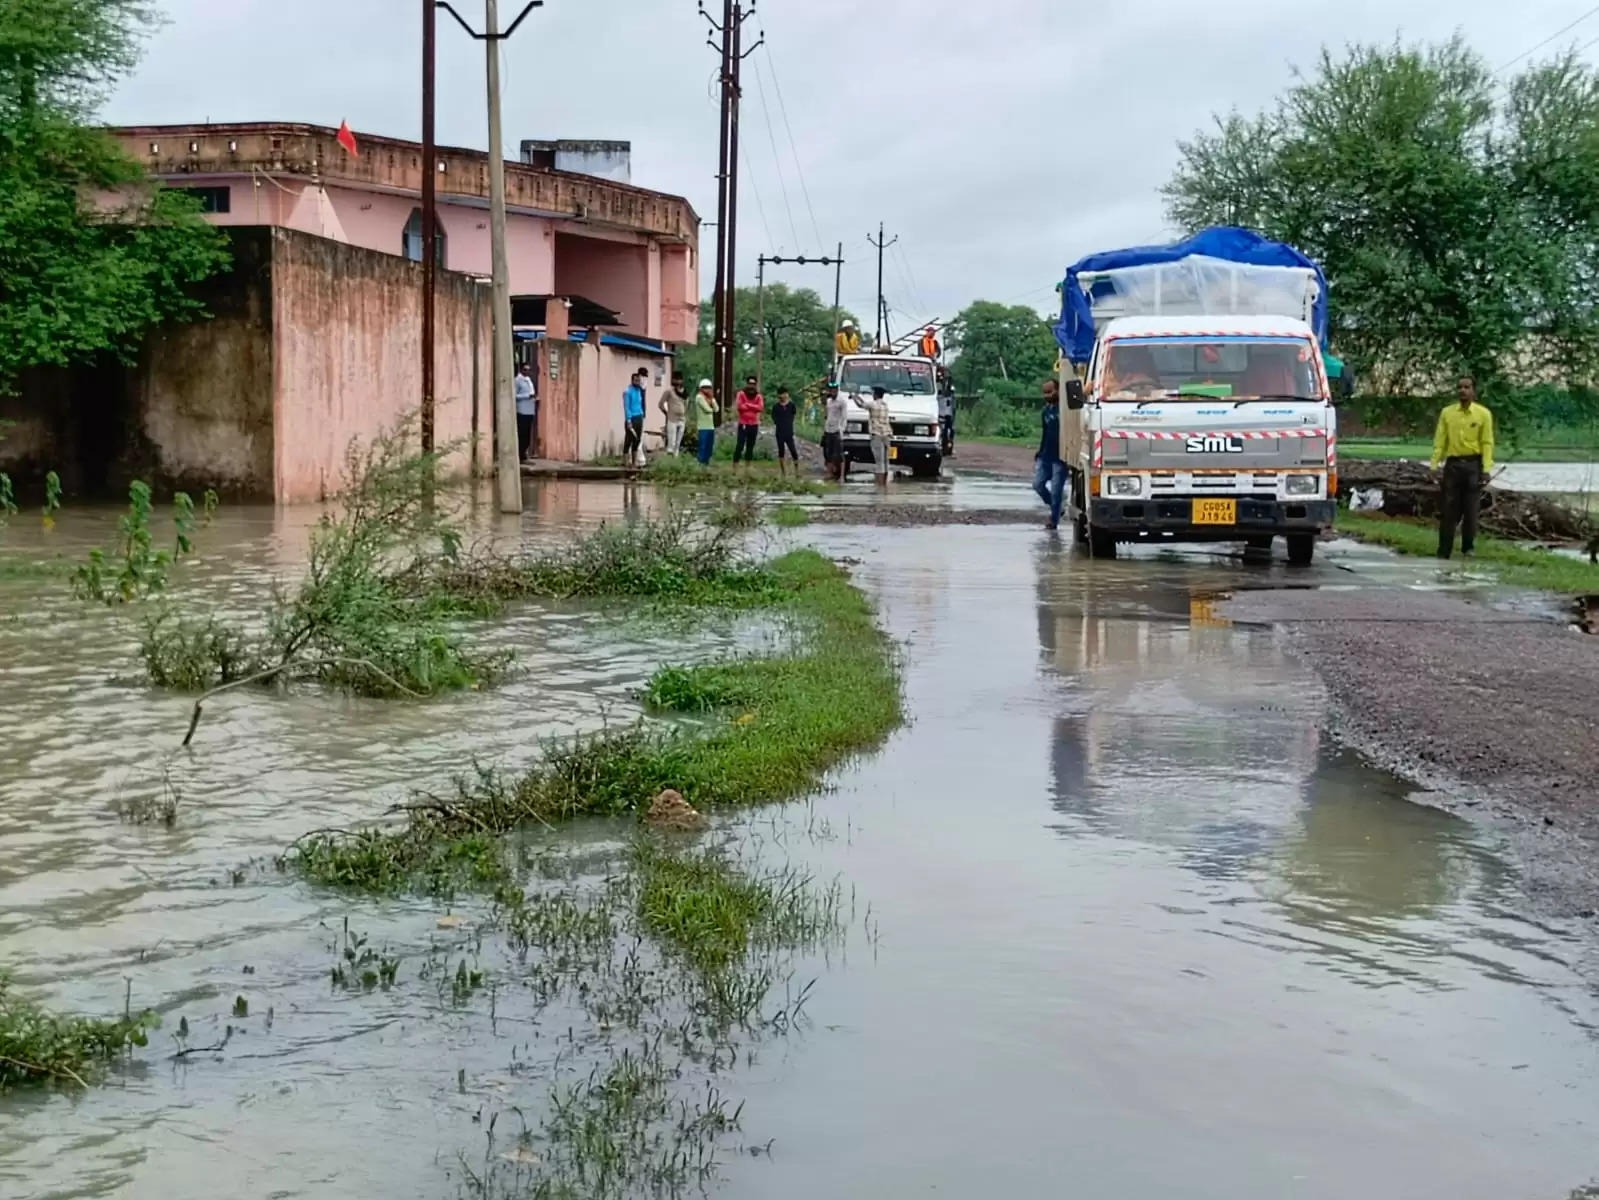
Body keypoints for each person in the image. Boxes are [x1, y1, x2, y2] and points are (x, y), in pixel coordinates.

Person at [1431, 375, 1495, 559]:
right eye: (1459, 387)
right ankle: (1444, 550)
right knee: (1449, 509)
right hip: (1453, 465)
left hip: (1474, 465)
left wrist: (1486, 468)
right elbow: (1440, 441)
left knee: (1471, 509)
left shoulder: (1483, 414)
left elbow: (1487, 442)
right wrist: (1434, 465)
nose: (1462, 391)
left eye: (1467, 387)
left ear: (1473, 391)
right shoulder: (1447, 413)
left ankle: (1468, 547)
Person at [1034, 380, 1067, 530]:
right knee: (1038, 485)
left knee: (1056, 491)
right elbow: (1045, 433)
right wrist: (1040, 451)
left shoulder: (1065, 411)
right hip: (1046, 455)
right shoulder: (1045, 411)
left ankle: (1053, 521)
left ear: (1058, 390)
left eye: (1050, 391)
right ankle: (1057, 508)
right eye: (1045, 392)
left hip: (1060, 458)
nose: (1047, 395)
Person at [865, 384, 893, 488]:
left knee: (879, 461)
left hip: (877, 434)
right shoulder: (885, 406)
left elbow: (861, 405)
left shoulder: (873, 405)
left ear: (875, 394)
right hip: (887, 434)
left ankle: (880, 486)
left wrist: (854, 397)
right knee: (886, 461)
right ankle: (885, 484)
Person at [733, 375, 764, 463]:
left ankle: (748, 467)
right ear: (747, 384)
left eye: (753, 384)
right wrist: (753, 407)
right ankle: (735, 466)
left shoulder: (758, 396)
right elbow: (739, 406)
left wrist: (748, 405)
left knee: (750, 446)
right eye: (750, 383)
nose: (751, 386)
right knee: (740, 445)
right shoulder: (741, 394)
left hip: (754, 424)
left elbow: (760, 408)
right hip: (743, 423)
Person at [771, 386, 799, 476]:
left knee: (793, 451)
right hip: (779, 432)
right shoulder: (776, 407)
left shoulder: (791, 405)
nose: (784, 396)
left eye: (785, 394)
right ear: (779, 395)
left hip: (789, 432)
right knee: (781, 452)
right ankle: (783, 472)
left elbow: (793, 416)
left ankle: (796, 471)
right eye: (782, 394)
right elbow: (774, 419)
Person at [622, 369, 647, 467]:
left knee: (637, 440)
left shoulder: (639, 391)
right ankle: (625, 461)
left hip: (639, 417)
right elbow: (627, 407)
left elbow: (641, 403)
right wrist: (628, 420)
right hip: (631, 418)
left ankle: (634, 462)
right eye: (636, 380)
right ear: (632, 381)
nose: (638, 382)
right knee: (628, 440)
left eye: (639, 380)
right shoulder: (628, 392)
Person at [659, 373, 687, 456]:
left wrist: (685, 413)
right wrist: (666, 413)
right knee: (672, 442)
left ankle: (676, 460)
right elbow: (661, 404)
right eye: (676, 379)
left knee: (678, 443)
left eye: (679, 379)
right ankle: (670, 461)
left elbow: (687, 403)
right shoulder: (669, 391)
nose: (678, 381)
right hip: (672, 419)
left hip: (682, 419)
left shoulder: (684, 392)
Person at [823, 384, 848, 481]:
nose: (832, 392)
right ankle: (829, 473)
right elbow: (827, 415)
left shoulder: (841, 402)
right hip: (828, 429)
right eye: (831, 390)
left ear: (837, 390)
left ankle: (841, 476)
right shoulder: (829, 401)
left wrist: (842, 429)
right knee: (828, 453)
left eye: (834, 390)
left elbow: (844, 417)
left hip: (837, 430)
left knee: (839, 454)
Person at [514, 361, 538, 461]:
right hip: (522, 410)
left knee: (527, 435)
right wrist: (527, 396)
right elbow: (514, 396)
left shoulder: (528, 380)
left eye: (528, 370)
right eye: (525, 370)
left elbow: (531, 393)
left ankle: (524, 454)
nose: (527, 372)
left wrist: (534, 398)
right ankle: (520, 455)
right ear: (521, 369)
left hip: (530, 410)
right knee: (522, 434)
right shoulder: (518, 380)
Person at [694, 380, 718, 465]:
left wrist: (712, 399)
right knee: (703, 447)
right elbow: (707, 409)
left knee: (709, 448)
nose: (707, 390)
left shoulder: (710, 398)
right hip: (702, 427)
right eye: (705, 388)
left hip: (710, 426)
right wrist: (711, 405)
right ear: (701, 388)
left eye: (709, 388)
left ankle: (706, 464)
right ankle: (700, 464)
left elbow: (716, 409)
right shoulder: (699, 397)